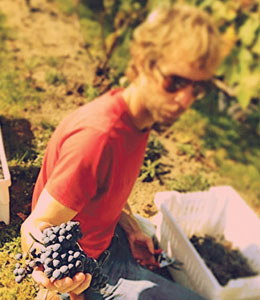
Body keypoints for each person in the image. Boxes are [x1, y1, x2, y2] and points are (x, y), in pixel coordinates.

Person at [21, 3, 223, 300]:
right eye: (175, 82)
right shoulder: (97, 139)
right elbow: (37, 225)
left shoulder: (137, 118)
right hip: (91, 268)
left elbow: (106, 187)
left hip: (110, 239)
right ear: (143, 62)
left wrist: (128, 225)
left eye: (198, 88)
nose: (185, 100)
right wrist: (52, 271)